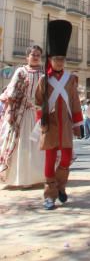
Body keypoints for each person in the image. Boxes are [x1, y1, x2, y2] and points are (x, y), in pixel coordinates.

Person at [35, 20, 82, 210]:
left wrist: (78, 124)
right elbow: (38, 101)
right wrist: (42, 121)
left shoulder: (70, 79)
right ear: (50, 60)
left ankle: (60, 186)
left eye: (62, 59)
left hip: (66, 123)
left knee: (66, 158)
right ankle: (49, 195)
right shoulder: (43, 80)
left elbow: (75, 101)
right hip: (51, 125)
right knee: (49, 161)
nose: (60, 62)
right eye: (56, 59)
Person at [0, 45, 45, 187]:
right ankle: (20, 178)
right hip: (22, 112)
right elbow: (12, 93)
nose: (36, 57)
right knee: (22, 144)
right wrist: (10, 112)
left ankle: (38, 176)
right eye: (33, 54)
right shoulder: (21, 71)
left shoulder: (44, 73)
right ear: (27, 57)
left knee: (38, 144)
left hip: (38, 113)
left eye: (38, 55)